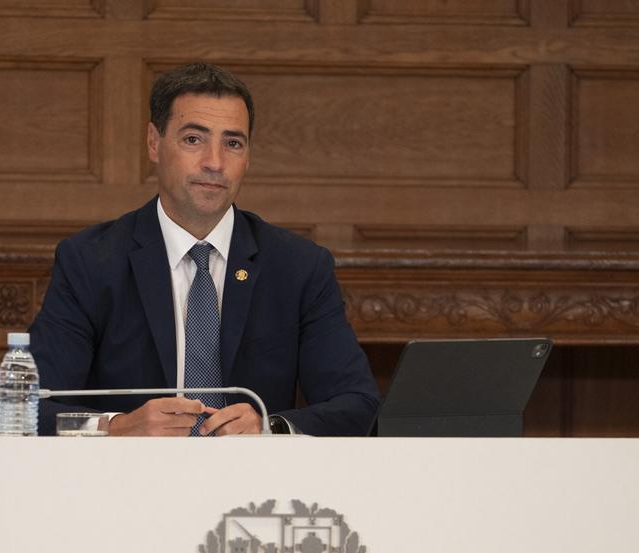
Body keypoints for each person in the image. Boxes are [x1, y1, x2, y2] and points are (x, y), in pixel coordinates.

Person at [28, 62, 378, 436]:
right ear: (153, 142)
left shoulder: (299, 267)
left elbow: (358, 404)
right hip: (127, 484)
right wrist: (116, 428)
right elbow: (26, 410)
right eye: (193, 139)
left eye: (232, 143)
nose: (214, 162)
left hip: (253, 487)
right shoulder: (91, 262)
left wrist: (270, 429)